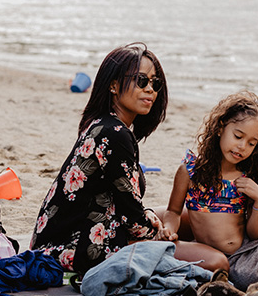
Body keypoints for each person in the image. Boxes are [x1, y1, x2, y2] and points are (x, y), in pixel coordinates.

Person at [30, 43, 170, 277]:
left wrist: (153, 220)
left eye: (155, 83)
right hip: (73, 249)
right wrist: (159, 234)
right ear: (113, 85)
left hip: (62, 237)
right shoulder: (115, 134)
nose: (151, 90)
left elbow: (126, 204)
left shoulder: (104, 124)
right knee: (211, 259)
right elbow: (134, 221)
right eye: (141, 81)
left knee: (181, 216)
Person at [162, 91, 258, 273]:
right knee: (218, 262)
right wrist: (169, 228)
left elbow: (255, 234)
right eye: (238, 136)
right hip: (204, 251)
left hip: (240, 253)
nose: (242, 146)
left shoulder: (248, 177)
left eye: (251, 143)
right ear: (220, 127)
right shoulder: (190, 172)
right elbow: (173, 211)